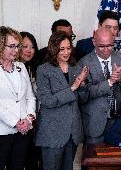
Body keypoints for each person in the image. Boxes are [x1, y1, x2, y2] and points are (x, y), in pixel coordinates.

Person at [35, 31, 88, 170]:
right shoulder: (43, 70)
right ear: (53, 49)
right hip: (53, 133)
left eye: (68, 48)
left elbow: (82, 99)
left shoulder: (75, 68)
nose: (66, 52)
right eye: (62, 49)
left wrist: (82, 86)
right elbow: (47, 101)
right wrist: (73, 87)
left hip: (73, 132)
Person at [77, 28, 121, 144]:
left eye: (110, 45)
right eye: (102, 46)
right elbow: (84, 95)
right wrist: (109, 83)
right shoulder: (84, 63)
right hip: (95, 125)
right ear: (94, 42)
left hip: (120, 123)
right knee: (94, 160)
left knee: (119, 160)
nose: (106, 50)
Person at [0, 26, 36, 170]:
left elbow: (30, 97)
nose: (16, 50)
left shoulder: (21, 67)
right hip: (3, 131)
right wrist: (16, 122)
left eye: (17, 46)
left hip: (23, 131)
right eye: (12, 46)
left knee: (18, 166)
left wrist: (28, 118)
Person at [19, 31, 42, 170]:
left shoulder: (37, 69)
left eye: (32, 47)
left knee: (33, 161)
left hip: (36, 123)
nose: (29, 50)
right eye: (25, 46)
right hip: (17, 124)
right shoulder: (8, 68)